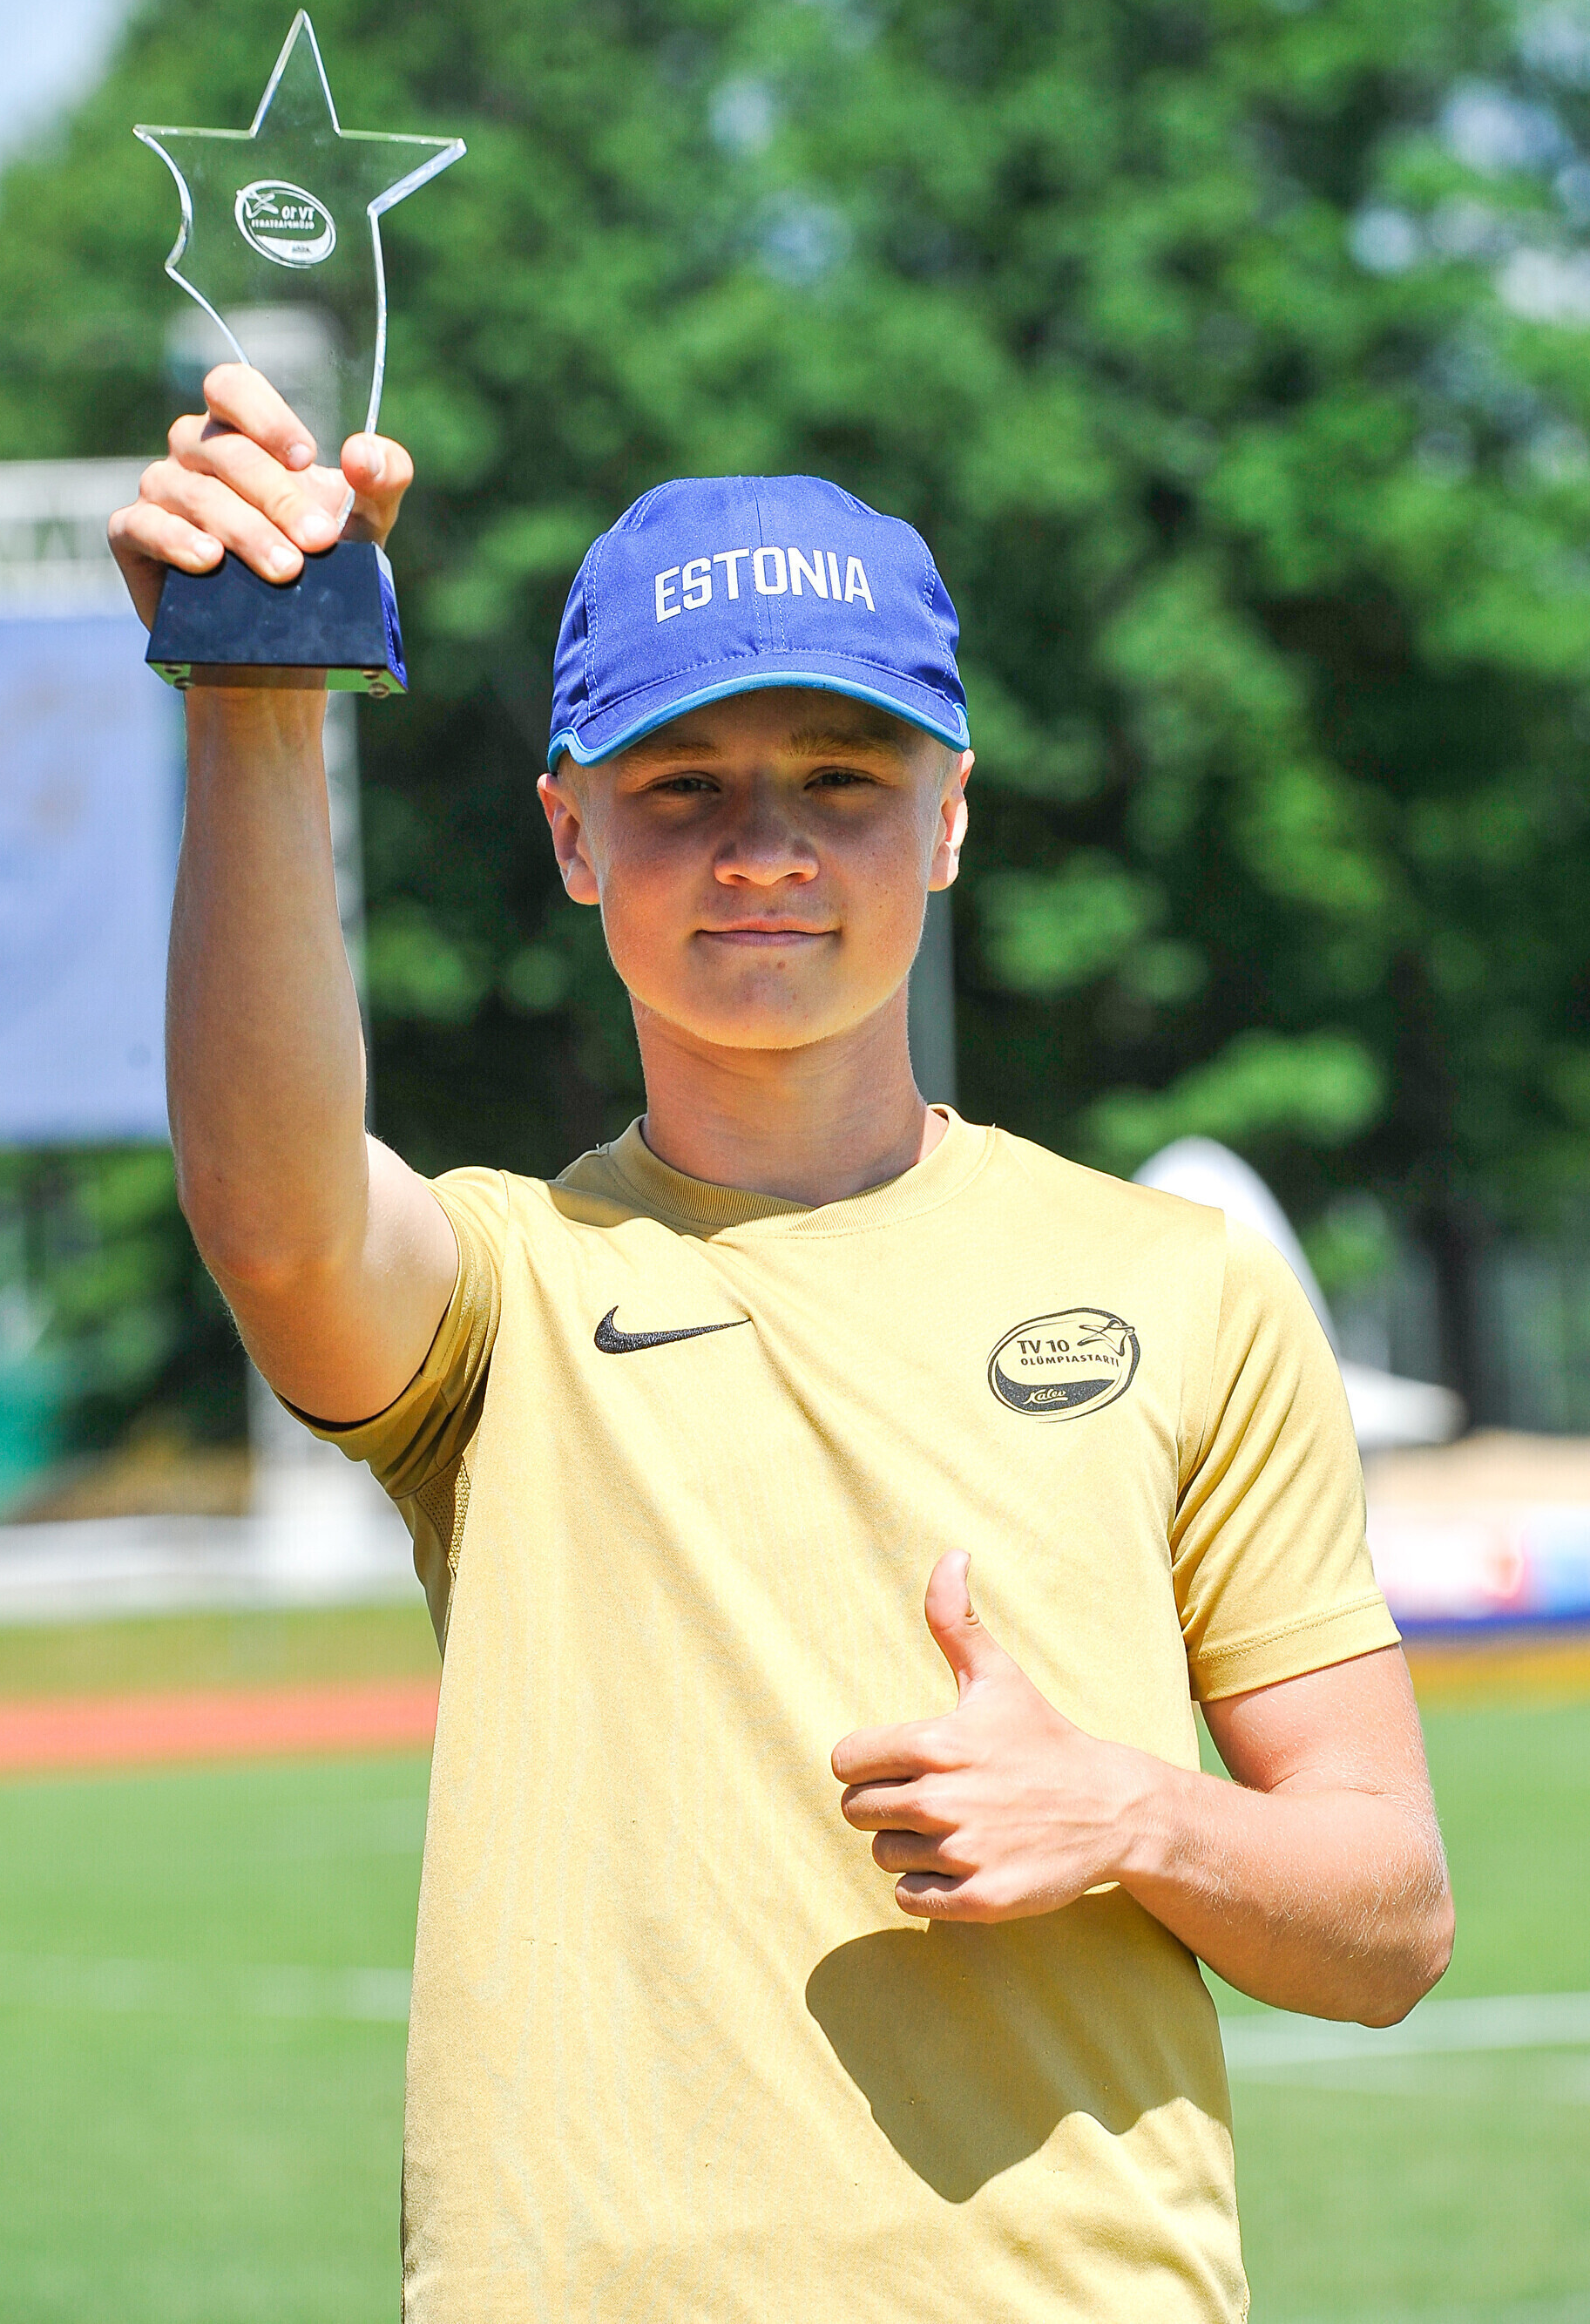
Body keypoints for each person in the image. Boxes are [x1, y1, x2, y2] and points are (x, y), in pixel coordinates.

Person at [111, 376, 1453, 2324]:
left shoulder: (1183, 1283)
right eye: (681, 785)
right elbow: (274, 1208)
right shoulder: (503, 1286)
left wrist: (1130, 1810)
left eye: (839, 777)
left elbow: (1389, 1921)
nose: (762, 848)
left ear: (950, 817)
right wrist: (257, 691)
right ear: (571, 833)